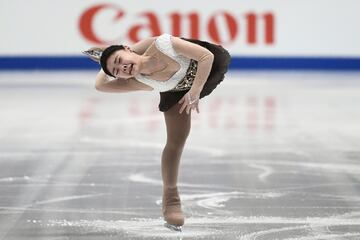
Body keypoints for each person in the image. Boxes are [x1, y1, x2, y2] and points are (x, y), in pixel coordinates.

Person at [83, 33, 231, 231]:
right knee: (176, 142)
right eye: (116, 71)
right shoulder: (140, 82)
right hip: (176, 92)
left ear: (127, 49)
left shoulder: (163, 44)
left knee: (149, 43)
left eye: (119, 61)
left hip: (207, 67)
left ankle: (113, 52)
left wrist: (194, 93)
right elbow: (100, 86)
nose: (122, 68)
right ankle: (171, 199)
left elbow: (206, 57)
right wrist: (106, 64)